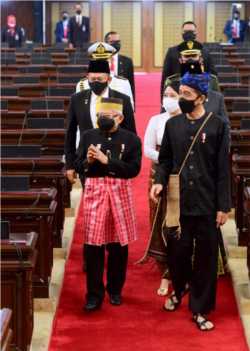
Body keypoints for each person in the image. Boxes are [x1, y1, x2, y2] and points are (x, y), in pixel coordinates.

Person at [151, 72, 230, 331]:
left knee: (205, 258)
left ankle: (200, 309)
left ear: (201, 98)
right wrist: (159, 181)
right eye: (179, 93)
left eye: (186, 95)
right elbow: (165, 161)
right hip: (178, 201)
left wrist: (223, 206)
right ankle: (180, 286)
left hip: (207, 203)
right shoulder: (173, 125)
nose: (180, 99)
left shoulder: (217, 125)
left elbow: (221, 169)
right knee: (177, 252)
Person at [74, 97, 142, 311]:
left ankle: (115, 290)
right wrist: (89, 162)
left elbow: (134, 169)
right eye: (100, 116)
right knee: (93, 246)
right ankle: (94, 296)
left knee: (118, 246)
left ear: (120, 118)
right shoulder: (88, 136)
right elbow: (78, 165)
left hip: (119, 193)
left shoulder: (132, 140)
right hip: (95, 192)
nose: (102, 120)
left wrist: (107, 162)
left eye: (108, 116)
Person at [137, 81, 181, 297]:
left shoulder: (189, 120)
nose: (168, 99)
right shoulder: (157, 120)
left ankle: (184, 270)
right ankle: (165, 273)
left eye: (173, 95)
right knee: (159, 222)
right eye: (165, 94)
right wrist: (168, 160)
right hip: (159, 177)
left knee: (182, 222)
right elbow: (147, 150)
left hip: (184, 177)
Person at [162, 39, 231, 147]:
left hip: (207, 131)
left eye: (194, 56)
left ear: (200, 59)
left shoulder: (211, 80)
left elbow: (216, 105)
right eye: (187, 57)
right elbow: (165, 110)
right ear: (181, 60)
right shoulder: (172, 81)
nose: (191, 59)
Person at [160, 21, 217, 100]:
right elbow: (166, 76)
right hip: (177, 92)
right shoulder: (172, 51)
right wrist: (163, 99)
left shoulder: (205, 52)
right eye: (186, 31)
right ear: (182, 33)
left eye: (192, 31)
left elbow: (212, 73)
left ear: (196, 33)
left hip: (200, 92)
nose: (189, 33)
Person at [76, 42, 134, 110]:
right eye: (98, 60)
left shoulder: (123, 83)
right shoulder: (83, 84)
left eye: (105, 60)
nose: (101, 64)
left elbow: (129, 110)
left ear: (112, 61)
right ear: (92, 61)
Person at [105, 31, 135, 107]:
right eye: (112, 41)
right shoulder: (100, 60)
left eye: (118, 41)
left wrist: (132, 107)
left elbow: (131, 85)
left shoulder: (127, 61)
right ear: (106, 43)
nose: (116, 44)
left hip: (121, 99)